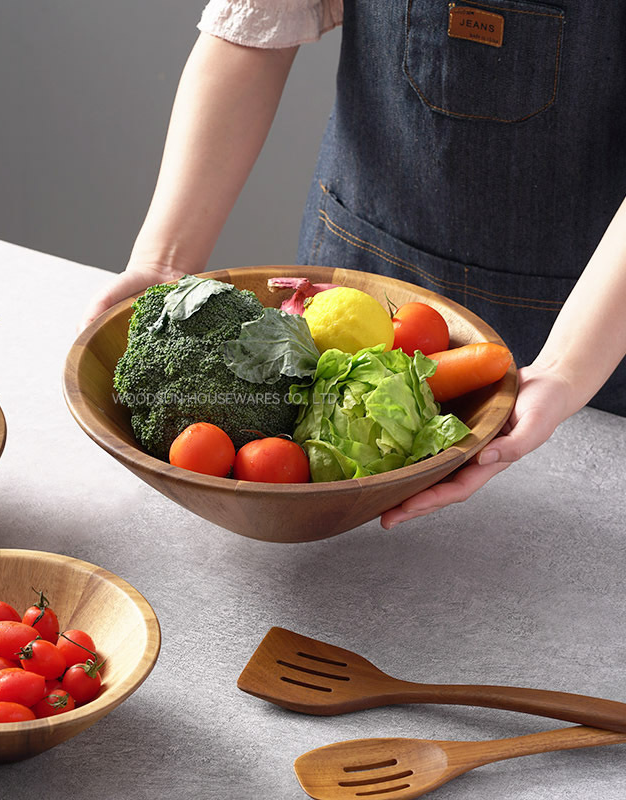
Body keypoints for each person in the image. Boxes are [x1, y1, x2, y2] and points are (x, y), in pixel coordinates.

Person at [83, 2, 626, 529]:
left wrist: (565, 369)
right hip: (352, 269)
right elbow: (254, 24)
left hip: (594, 333)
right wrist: (166, 260)